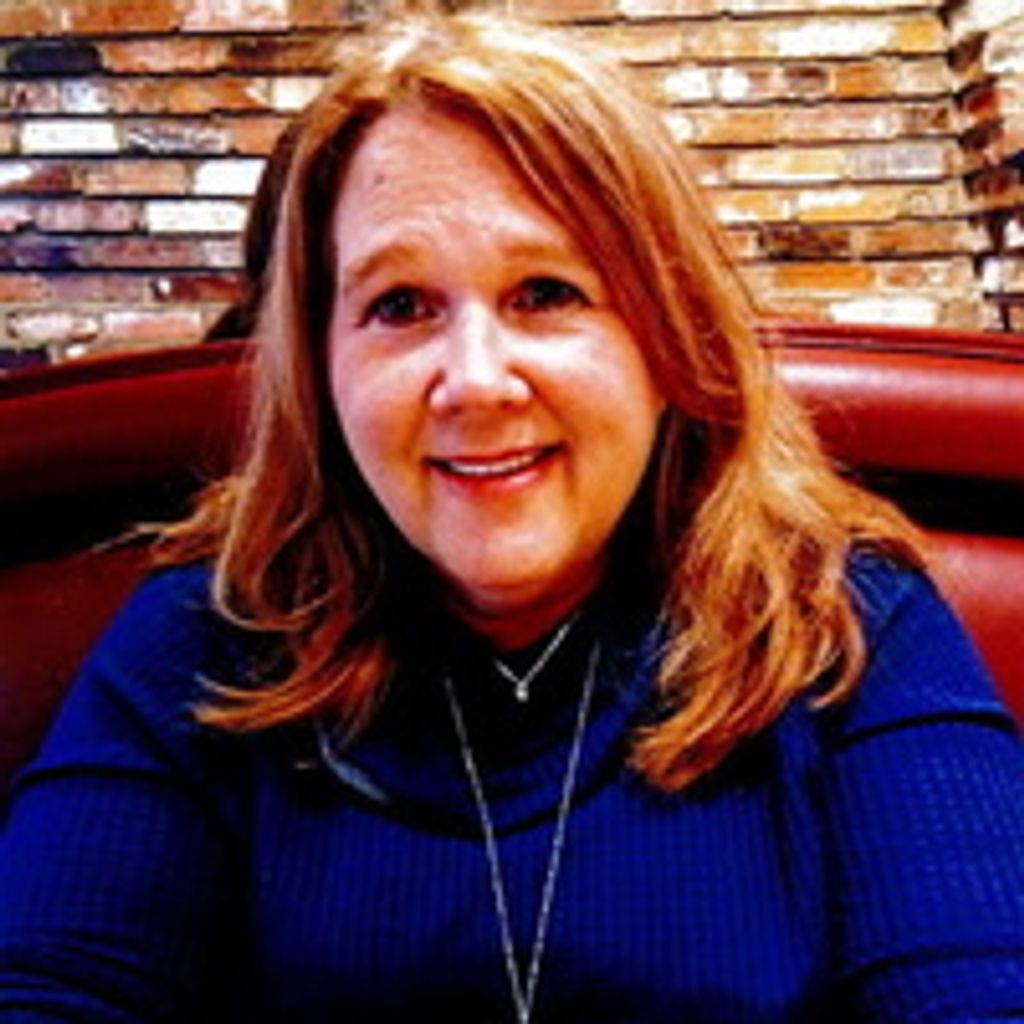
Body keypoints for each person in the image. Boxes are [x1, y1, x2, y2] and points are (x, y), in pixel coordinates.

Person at [2, 8, 1023, 1023]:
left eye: (546, 293)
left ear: (670, 339)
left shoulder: (846, 620)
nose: (476, 382)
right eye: (400, 306)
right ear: (320, 369)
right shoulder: (212, 627)